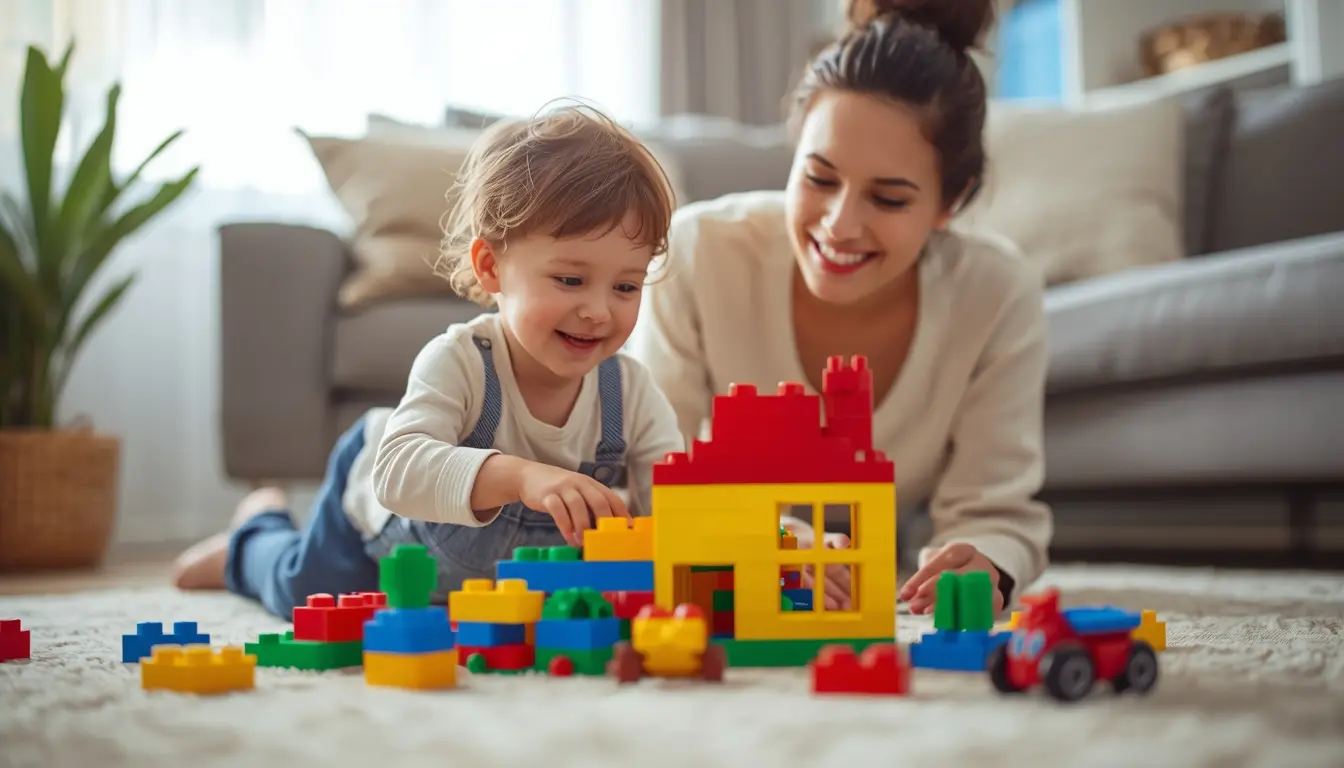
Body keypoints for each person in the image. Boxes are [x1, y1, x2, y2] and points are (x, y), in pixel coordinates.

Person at [172, 102, 685, 618]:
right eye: (570, 280)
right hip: (380, 508)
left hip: (493, 581)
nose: (598, 311)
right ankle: (255, 533)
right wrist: (522, 477)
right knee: (311, 595)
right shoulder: (461, 360)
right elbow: (397, 473)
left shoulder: (631, 393)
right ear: (491, 267)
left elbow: (672, 505)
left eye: (626, 287)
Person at [625, 0, 1053, 615]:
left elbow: (995, 510)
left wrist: (985, 562)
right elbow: (653, 476)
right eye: (819, 179)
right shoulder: (698, 253)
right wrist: (766, 540)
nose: (839, 224)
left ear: (949, 203)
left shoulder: (997, 292)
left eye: (888, 198)